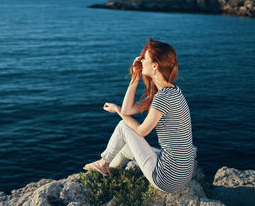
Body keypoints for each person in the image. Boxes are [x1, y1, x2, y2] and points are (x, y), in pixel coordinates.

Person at [83, 38, 195, 193]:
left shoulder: (162, 98)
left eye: (145, 58)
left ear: (155, 66)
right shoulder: (173, 91)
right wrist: (135, 77)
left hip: (166, 179)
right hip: (183, 173)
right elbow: (128, 110)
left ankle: (103, 163)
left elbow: (141, 131)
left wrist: (117, 110)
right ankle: (108, 167)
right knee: (128, 148)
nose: (141, 60)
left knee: (123, 126)